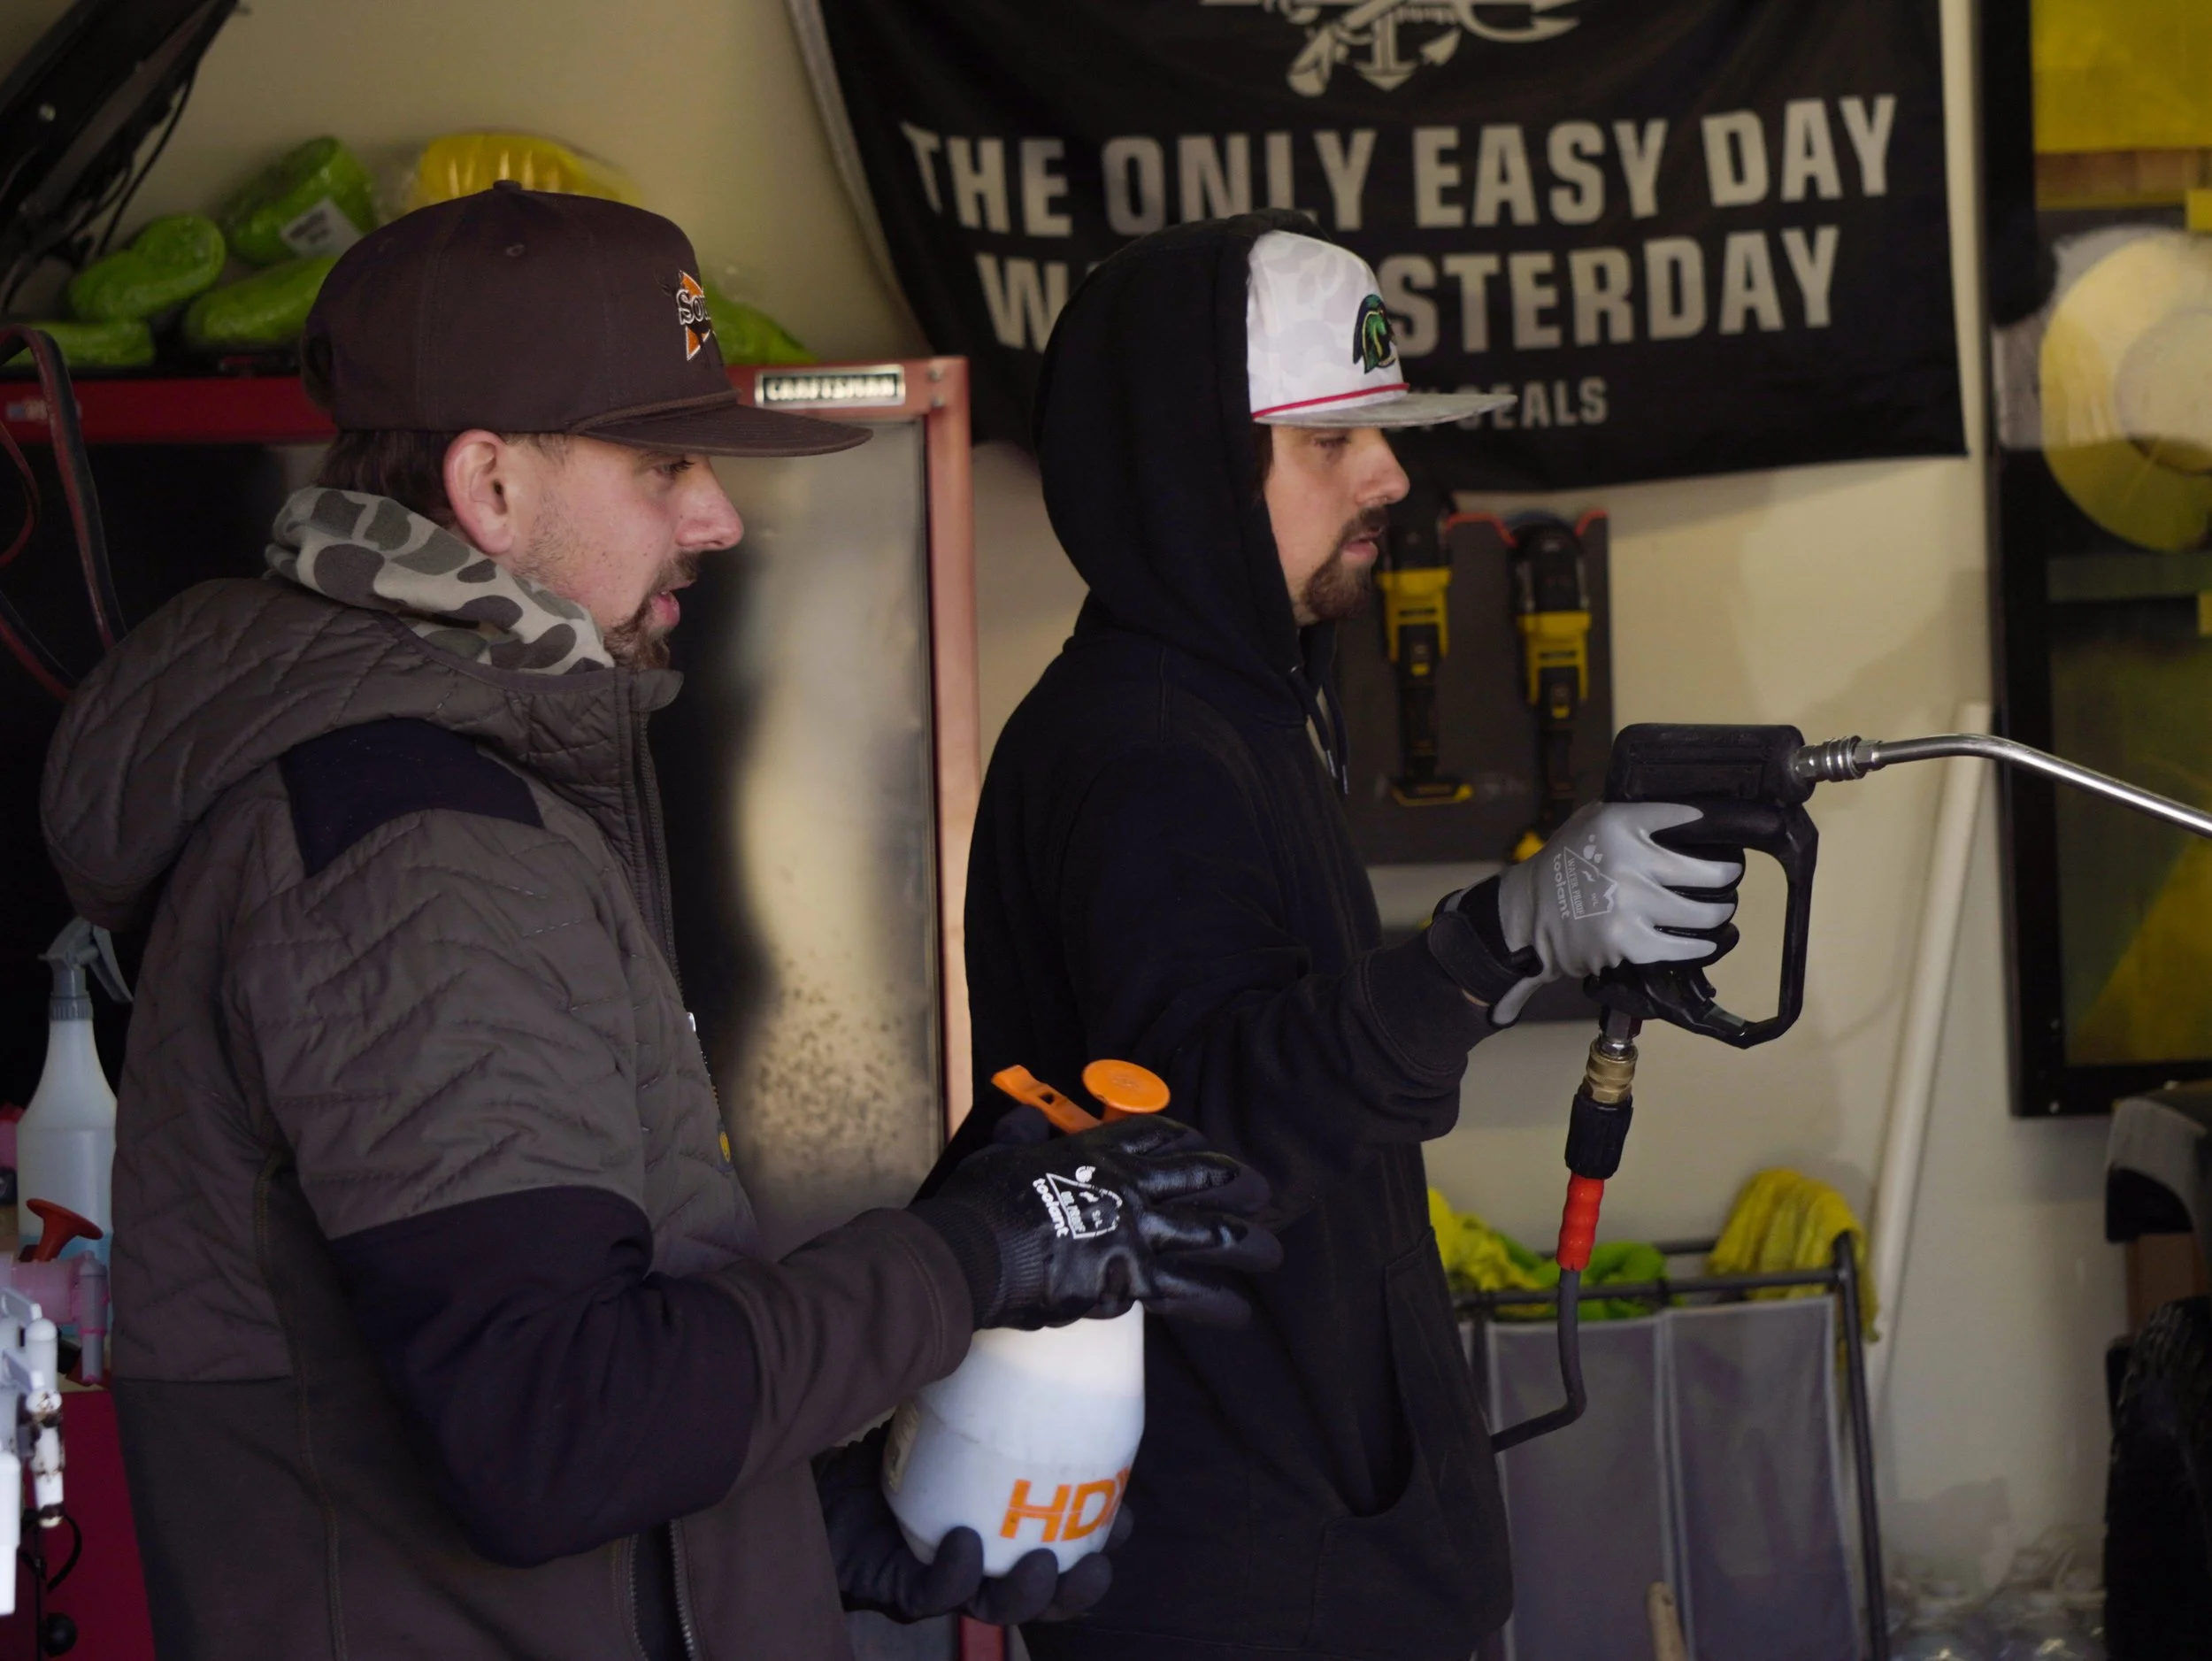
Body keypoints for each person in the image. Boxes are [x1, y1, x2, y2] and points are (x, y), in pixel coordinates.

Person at [39, 185, 1279, 1660]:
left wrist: (806, 1536)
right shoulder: (414, 850)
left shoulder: (438, 804)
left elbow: (505, 1418)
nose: (721, 517)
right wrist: (977, 1257)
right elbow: (556, 1428)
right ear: (491, 490)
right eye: (665, 462)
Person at [949, 213, 1745, 1660]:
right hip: (1243, 1592)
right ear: (1191, 461)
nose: (1390, 475)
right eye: (1331, 441)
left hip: (1324, 1560)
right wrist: (1492, 944)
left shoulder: (1245, 718)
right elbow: (1201, 1140)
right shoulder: (1142, 750)